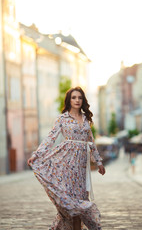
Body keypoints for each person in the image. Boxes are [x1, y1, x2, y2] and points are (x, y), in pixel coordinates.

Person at [27, 86, 105, 230]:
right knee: (72, 204)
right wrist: (36, 154)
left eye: (80, 97)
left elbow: (91, 141)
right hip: (66, 163)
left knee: (79, 201)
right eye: (74, 97)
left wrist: (99, 162)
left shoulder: (86, 118)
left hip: (81, 166)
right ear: (69, 100)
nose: (77, 100)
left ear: (83, 100)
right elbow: (50, 138)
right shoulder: (62, 118)